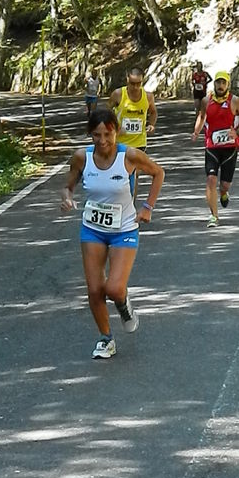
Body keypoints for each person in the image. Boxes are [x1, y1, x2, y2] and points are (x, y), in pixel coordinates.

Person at [61, 108, 164, 359]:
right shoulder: (81, 158)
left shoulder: (129, 156)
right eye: (97, 135)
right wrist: (67, 198)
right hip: (92, 229)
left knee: (115, 288)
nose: (103, 141)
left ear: (116, 131)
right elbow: (68, 186)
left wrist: (148, 207)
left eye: (108, 134)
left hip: (124, 229)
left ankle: (123, 304)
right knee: (95, 289)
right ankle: (106, 338)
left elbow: (158, 173)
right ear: (90, 134)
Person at [191, 70, 239, 228]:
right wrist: (196, 132)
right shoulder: (206, 100)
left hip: (230, 147)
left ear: (228, 84)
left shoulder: (235, 101)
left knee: (224, 185)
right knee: (211, 179)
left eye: (223, 82)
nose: (220, 85)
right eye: (218, 82)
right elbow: (202, 116)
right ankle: (214, 216)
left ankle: (224, 193)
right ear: (214, 83)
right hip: (212, 146)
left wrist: (237, 132)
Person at [107, 65, 157, 197]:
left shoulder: (148, 97)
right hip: (119, 143)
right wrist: (115, 128)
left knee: (133, 174)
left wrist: (151, 124)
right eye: (132, 83)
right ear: (127, 80)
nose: (135, 87)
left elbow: (153, 112)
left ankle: (130, 207)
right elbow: (105, 114)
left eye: (138, 84)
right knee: (119, 174)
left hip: (139, 143)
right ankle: (117, 201)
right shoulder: (118, 94)